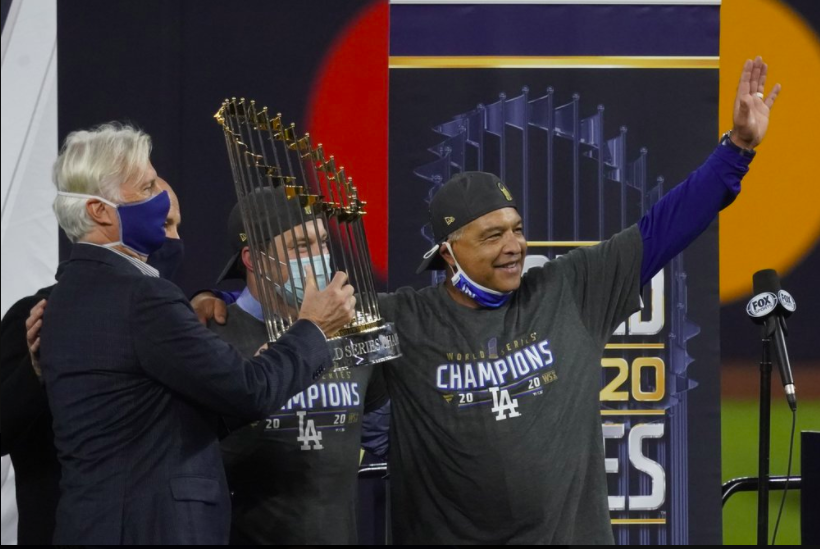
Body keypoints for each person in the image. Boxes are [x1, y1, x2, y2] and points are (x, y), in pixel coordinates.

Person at [197, 57, 780, 543]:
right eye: (491, 235)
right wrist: (221, 306)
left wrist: (736, 149)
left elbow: (666, 227)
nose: (514, 247)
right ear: (448, 252)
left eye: (517, 229)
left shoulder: (572, 287)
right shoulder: (403, 319)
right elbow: (298, 344)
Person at [39, 122, 356, 545]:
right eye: (147, 186)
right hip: (152, 528)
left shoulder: (65, 295)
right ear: (100, 211)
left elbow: (146, 415)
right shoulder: (142, 296)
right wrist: (313, 329)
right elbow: (250, 391)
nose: (161, 196)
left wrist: (256, 366)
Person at [0, 179, 183, 545]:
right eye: (164, 225)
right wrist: (36, 372)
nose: (174, 239)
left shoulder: (175, 321)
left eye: (177, 225)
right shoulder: (35, 315)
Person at [208, 188, 390, 544]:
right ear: (253, 258)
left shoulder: (357, 330)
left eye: (322, 242)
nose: (320, 257)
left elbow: (384, 434)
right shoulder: (211, 335)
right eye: (301, 247)